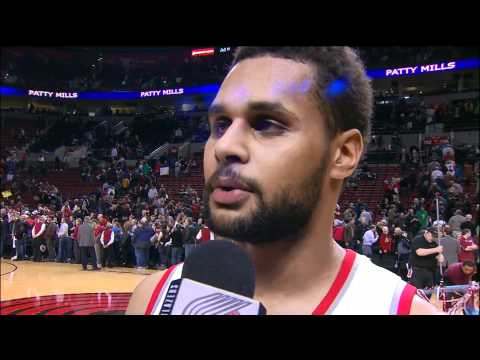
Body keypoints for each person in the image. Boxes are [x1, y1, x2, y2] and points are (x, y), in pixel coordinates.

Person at [127, 46, 440, 315]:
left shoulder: (397, 307)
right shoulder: (151, 299)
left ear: (343, 153)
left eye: (266, 124)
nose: (224, 146)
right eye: (220, 125)